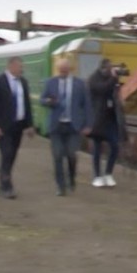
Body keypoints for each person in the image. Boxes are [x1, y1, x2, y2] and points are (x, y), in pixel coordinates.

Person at [39, 57, 92, 195]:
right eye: (60, 70)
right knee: (57, 156)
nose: (62, 72)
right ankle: (60, 187)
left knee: (71, 155)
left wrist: (87, 125)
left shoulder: (79, 84)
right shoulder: (51, 83)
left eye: (64, 70)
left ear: (69, 69)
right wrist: (49, 101)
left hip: (73, 126)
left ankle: (71, 178)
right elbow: (42, 100)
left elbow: (86, 105)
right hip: (56, 126)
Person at [0, 56, 34, 199]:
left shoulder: (23, 82)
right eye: (20, 66)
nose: (22, 69)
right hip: (3, 126)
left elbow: (27, 105)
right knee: (6, 154)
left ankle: (4, 180)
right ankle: (6, 186)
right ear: (11, 66)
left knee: (12, 155)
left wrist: (29, 125)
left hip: (18, 125)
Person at [87, 59, 127, 188]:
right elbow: (102, 89)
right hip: (97, 119)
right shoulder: (93, 79)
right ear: (103, 68)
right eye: (109, 68)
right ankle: (97, 176)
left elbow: (114, 93)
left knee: (115, 146)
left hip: (110, 119)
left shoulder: (111, 79)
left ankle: (108, 173)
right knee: (97, 148)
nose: (111, 70)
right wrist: (114, 79)